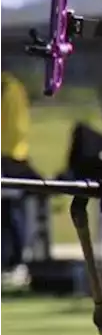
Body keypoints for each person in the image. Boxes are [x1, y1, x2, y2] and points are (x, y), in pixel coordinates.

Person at [0, 65, 32, 279]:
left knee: (11, 211)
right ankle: (12, 261)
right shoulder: (13, 86)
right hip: (13, 155)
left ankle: (16, 261)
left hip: (9, 157)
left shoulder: (8, 87)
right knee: (10, 211)